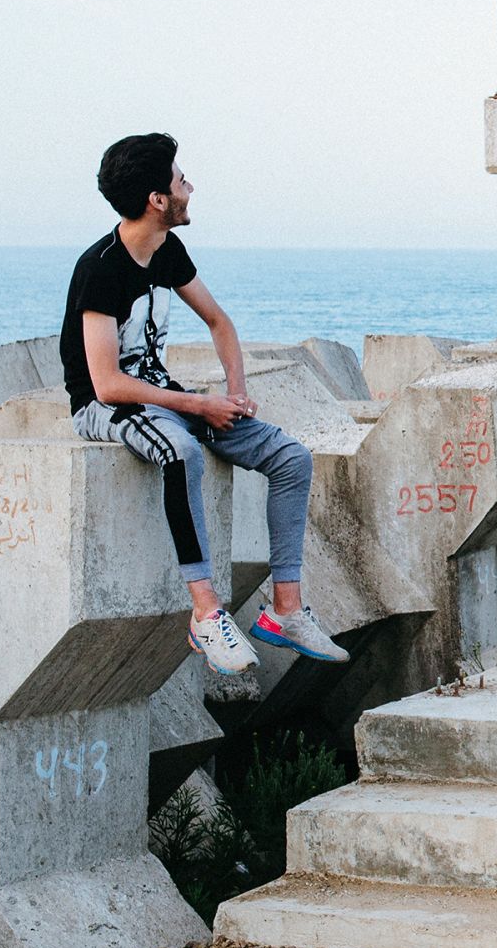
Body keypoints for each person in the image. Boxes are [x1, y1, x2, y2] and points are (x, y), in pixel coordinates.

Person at [61, 133, 349, 675]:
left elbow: (219, 321)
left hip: (162, 398)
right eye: (180, 180)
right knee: (182, 453)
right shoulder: (100, 269)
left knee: (292, 459)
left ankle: (285, 611)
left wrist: (235, 393)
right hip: (105, 408)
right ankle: (205, 613)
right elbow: (106, 385)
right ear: (158, 200)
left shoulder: (167, 251)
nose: (189, 187)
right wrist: (196, 404)